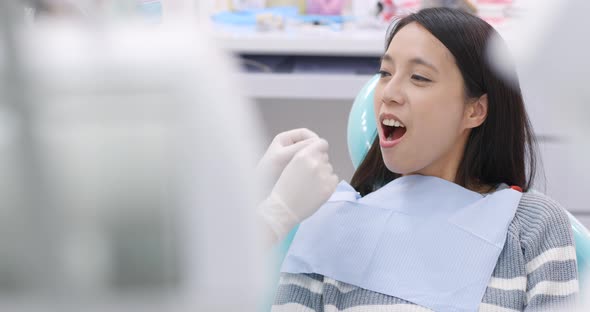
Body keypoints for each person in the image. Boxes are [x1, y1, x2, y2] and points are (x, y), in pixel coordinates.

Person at [272, 8, 578, 311]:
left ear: (475, 110)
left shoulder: (533, 225)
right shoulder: (330, 221)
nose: (389, 93)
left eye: (419, 77)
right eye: (385, 73)